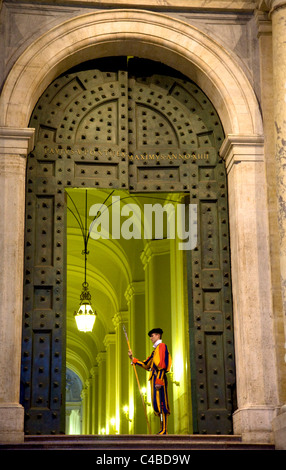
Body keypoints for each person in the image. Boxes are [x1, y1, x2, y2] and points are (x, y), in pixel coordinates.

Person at [128, 328, 172, 435]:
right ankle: (162, 429)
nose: (151, 338)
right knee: (157, 405)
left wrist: (159, 380)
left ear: (158, 335)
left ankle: (164, 429)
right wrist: (133, 359)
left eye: (152, 336)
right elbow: (146, 365)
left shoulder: (162, 347)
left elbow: (162, 365)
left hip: (158, 379)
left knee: (162, 404)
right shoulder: (154, 351)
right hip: (154, 380)